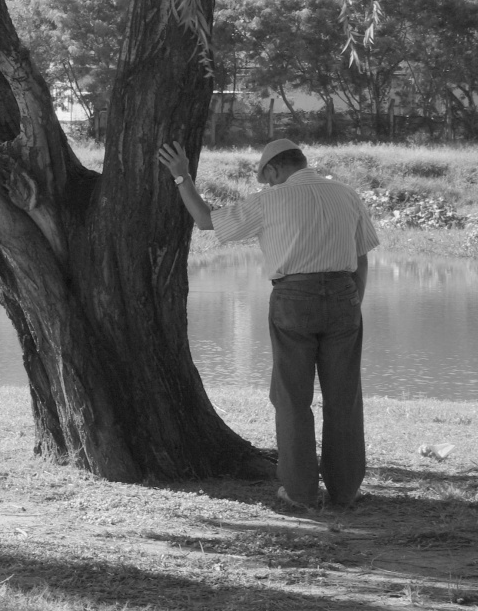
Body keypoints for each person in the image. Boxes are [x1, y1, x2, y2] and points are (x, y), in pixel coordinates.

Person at [158, 138, 379, 509]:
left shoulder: (270, 200)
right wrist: (353, 299)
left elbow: (207, 220)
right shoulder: (345, 194)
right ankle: (344, 491)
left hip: (293, 296)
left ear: (274, 169)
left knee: (292, 397)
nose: (267, 184)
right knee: (344, 397)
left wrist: (182, 178)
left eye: (267, 177)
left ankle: (300, 492)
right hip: (345, 295)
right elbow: (362, 256)